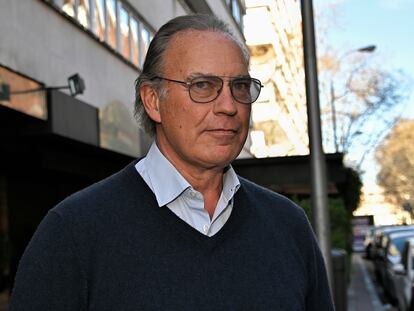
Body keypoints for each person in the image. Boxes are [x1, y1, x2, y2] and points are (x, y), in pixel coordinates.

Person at [9, 14, 334, 310]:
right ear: (153, 100)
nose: (229, 106)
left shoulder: (288, 225)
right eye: (203, 86)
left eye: (239, 86)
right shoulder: (72, 232)